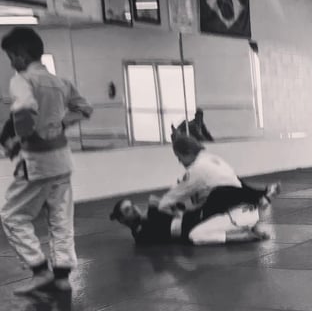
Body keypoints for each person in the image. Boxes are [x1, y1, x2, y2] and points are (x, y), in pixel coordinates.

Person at [0, 27, 92, 294]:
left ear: (22, 54)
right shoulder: (60, 82)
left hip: (37, 162)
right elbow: (84, 109)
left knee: (12, 215)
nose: (11, 63)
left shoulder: (22, 80)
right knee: (61, 218)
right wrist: (60, 125)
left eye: (12, 56)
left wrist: (20, 140)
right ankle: (62, 276)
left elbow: (25, 109)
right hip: (62, 161)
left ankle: (40, 270)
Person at [110, 182, 280, 245]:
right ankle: (260, 197)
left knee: (221, 186)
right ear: (123, 220)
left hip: (192, 217)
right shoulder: (141, 234)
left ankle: (260, 195)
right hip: (192, 224)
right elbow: (166, 228)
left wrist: (175, 206)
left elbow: (176, 210)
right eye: (128, 210)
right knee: (219, 193)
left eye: (132, 205)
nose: (134, 208)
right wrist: (158, 208)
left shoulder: (150, 215)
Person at [158, 135, 241, 213]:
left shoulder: (196, 168)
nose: (179, 161)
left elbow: (175, 195)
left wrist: (161, 204)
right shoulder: (215, 159)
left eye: (179, 157)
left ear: (189, 152)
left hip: (222, 204)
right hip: (239, 199)